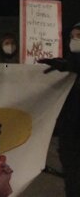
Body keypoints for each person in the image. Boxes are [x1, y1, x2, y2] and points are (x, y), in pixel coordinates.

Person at [38, 22, 80, 197]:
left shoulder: (71, 64)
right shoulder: (69, 64)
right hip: (70, 133)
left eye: (79, 36)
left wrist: (67, 65)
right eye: (72, 37)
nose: (74, 40)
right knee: (72, 179)